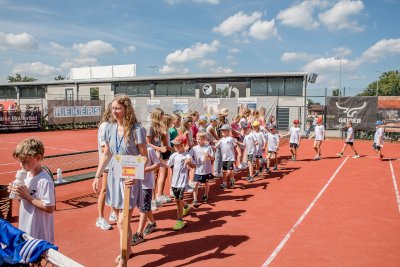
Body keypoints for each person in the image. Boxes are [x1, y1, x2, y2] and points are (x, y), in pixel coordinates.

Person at [92, 94, 147, 266]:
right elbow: (107, 153)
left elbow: (144, 157)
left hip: (130, 178)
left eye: (118, 108)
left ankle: (123, 258)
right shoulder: (109, 128)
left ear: (126, 109)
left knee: (124, 221)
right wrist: (97, 175)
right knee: (118, 218)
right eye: (112, 108)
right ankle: (128, 249)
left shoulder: (137, 129)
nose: (114, 111)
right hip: (114, 176)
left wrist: (134, 176)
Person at [8, 138, 55, 242]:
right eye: (20, 161)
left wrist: (27, 196)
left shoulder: (44, 180)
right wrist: (18, 193)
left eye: (25, 161)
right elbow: (24, 201)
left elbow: (50, 207)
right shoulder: (27, 176)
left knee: (38, 256)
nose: (21, 165)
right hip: (26, 225)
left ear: (38, 157)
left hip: (39, 231)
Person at [131, 145, 160, 245]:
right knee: (144, 206)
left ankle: (139, 234)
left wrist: (143, 170)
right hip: (137, 183)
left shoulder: (149, 149)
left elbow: (157, 164)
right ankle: (152, 223)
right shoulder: (132, 149)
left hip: (147, 184)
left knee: (143, 207)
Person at [167, 136, 195, 230]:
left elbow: (193, 164)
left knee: (177, 201)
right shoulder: (173, 155)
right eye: (174, 144)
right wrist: (157, 160)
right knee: (176, 199)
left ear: (183, 145)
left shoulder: (187, 155)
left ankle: (180, 220)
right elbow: (168, 165)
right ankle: (186, 206)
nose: (174, 146)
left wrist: (189, 163)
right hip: (174, 183)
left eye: (177, 144)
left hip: (182, 183)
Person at [95, 103, 116, 231]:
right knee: (104, 190)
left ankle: (113, 212)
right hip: (108, 163)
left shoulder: (114, 125)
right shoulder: (105, 126)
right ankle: (100, 218)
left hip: (115, 162)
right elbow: (104, 148)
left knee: (113, 189)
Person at [146, 108, 167, 207]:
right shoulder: (150, 126)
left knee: (156, 176)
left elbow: (158, 140)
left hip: (157, 153)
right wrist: (158, 148)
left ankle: (154, 198)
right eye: (161, 115)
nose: (163, 117)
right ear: (157, 116)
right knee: (152, 177)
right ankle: (151, 200)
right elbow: (147, 143)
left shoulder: (158, 127)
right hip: (151, 154)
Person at [189, 132, 214, 206]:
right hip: (197, 170)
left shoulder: (208, 147)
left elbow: (213, 158)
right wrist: (190, 160)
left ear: (204, 139)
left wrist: (208, 156)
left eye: (199, 139)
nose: (198, 140)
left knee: (206, 182)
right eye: (197, 139)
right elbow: (189, 156)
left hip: (206, 170)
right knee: (195, 184)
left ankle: (206, 194)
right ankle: (195, 199)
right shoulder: (194, 148)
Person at [215, 125, 240, 190]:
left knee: (229, 171)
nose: (222, 131)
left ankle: (230, 181)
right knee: (224, 171)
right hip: (224, 158)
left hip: (231, 158)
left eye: (224, 130)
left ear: (228, 131)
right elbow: (215, 146)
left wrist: (239, 153)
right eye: (221, 130)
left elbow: (236, 146)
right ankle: (225, 183)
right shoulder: (221, 140)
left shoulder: (231, 139)